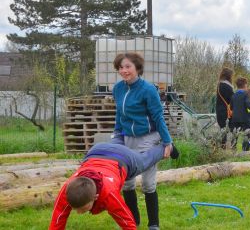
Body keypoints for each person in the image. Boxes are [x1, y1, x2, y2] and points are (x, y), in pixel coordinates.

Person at [49, 142, 178, 230]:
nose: (78, 212)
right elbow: (57, 219)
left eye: (82, 208)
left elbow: (127, 222)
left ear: (96, 196)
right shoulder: (69, 189)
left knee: (145, 160)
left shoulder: (109, 194)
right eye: (75, 208)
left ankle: (167, 147)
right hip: (96, 151)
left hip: (123, 158)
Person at [111, 53, 175, 230]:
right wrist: (116, 134)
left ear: (137, 68)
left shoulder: (148, 89)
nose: (124, 71)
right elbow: (119, 113)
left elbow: (158, 116)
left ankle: (153, 224)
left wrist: (167, 141)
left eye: (128, 67)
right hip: (127, 139)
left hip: (148, 138)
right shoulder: (117, 89)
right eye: (121, 67)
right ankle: (133, 221)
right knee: (127, 182)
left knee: (148, 183)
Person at [229, 77, 250, 151]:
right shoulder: (246, 94)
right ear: (245, 85)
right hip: (244, 118)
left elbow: (231, 107)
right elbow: (248, 104)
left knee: (235, 135)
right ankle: (245, 150)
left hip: (235, 119)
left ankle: (233, 150)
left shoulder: (233, 95)